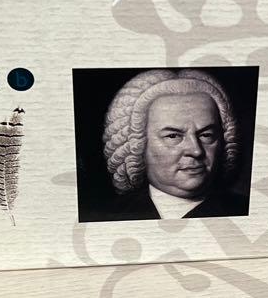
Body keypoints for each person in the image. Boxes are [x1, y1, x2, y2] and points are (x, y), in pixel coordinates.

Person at [101, 68, 249, 220]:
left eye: (206, 135)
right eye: (173, 136)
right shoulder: (107, 215)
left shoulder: (244, 210)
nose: (196, 151)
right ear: (137, 145)